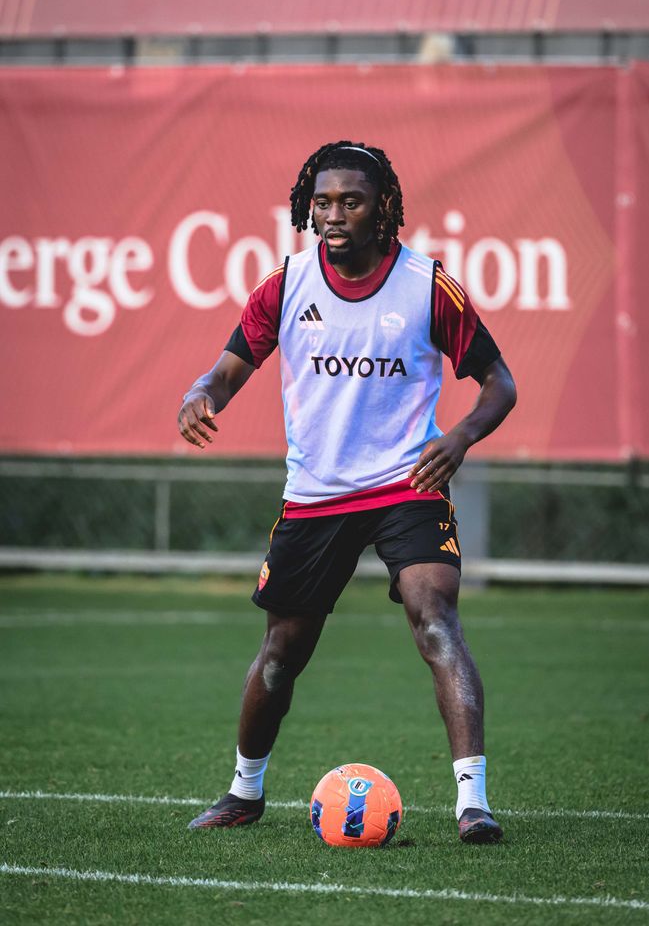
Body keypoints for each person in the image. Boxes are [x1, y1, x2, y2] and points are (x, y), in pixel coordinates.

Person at [177, 140, 517, 843]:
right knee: (282, 651)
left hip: (407, 484)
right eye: (323, 202)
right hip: (316, 494)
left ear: (382, 207)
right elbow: (226, 371)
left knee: (435, 617)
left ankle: (473, 804)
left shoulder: (427, 286)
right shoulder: (286, 284)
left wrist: (458, 438)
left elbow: (500, 383)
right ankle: (244, 792)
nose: (333, 215)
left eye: (351, 201)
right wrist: (199, 393)